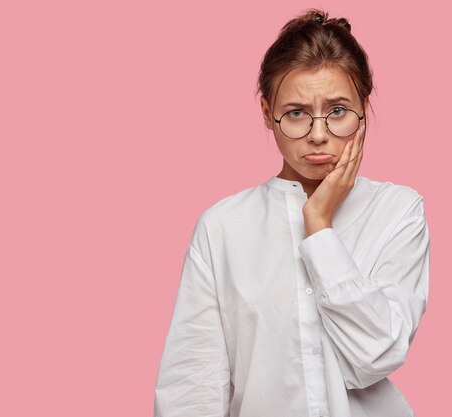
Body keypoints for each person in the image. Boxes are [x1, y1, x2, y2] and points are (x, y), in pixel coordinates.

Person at [153, 8, 430, 417]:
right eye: (297, 113)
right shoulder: (223, 227)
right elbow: (193, 384)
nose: (318, 134)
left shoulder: (398, 211)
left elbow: (375, 356)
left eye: (337, 111)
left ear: (363, 108)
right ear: (268, 113)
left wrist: (318, 228)